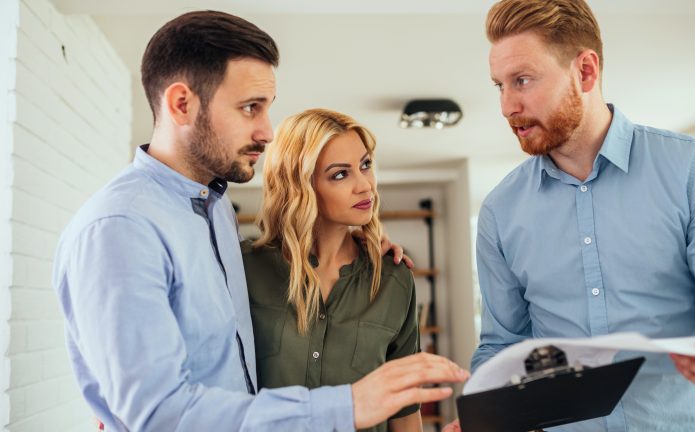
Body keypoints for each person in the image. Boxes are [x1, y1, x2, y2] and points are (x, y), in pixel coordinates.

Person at [51, 11, 467, 432]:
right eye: (250, 108)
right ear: (182, 104)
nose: (267, 132)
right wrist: (347, 405)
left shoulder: (213, 214)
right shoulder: (121, 226)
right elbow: (158, 413)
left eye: (266, 108)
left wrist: (366, 244)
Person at [447, 0, 695, 431]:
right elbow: (502, 346)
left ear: (585, 71)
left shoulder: (693, 169)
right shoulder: (500, 212)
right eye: (499, 85)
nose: (507, 106)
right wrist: (485, 412)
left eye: (522, 80)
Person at [242, 108, 422, 432]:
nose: (365, 185)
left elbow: (404, 410)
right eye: (340, 174)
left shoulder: (394, 280)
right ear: (300, 186)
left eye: (365, 165)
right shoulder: (244, 269)